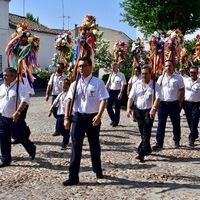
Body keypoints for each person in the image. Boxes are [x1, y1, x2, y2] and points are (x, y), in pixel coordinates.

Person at [62, 57, 109, 186]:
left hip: (92, 117)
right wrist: (67, 117)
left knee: (94, 145)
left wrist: (99, 116)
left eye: (84, 66)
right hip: (78, 118)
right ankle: (73, 176)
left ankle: (97, 169)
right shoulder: (74, 83)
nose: (81, 69)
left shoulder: (98, 82)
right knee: (76, 147)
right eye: (79, 66)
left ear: (90, 67)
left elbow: (103, 100)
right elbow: (69, 100)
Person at [0, 68, 36, 168]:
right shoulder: (2, 87)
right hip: (3, 117)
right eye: (4, 75)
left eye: (6, 75)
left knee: (20, 137)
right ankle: (5, 159)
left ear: (13, 76)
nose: (4, 77)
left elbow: (24, 101)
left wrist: (18, 112)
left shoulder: (20, 87)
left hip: (14, 117)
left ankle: (31, 148)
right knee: (3, 138)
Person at [126, 65, 161, 162]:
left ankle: (141, 153)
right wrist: (129, 108)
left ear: (150, 74)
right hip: (138, 110)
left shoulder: (155, 85)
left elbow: (158, 98)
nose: (144, 76)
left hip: (149, 111)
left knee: (147, 131)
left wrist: (153, 109)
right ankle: (148, 148)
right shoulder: (137, 84)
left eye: (146, 74)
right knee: (142, 132)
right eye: (143, 74)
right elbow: (131, 97)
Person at [152, 60, 185, 150]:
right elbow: (157, 89)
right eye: (166, 66)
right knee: (161, 124)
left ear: (173, 67)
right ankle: (159, 142)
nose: (168, 68)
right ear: (164, 67)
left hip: (174, 104)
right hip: (162, 104)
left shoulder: (178, 78)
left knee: (176, 123)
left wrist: (180, 103)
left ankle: (176, 140)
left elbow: (182, 92)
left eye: (170, 66)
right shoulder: (161, 78)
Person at [45, 62, 68, 136]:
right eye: (57, 67)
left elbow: (68, 86)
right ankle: (61, 126)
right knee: (55, 113)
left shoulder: (65, 77)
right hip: (54, 95)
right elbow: (49, 85)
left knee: (59, 113)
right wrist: (47, 94)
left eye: (60, 67)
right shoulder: (53, 76)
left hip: (62, 96)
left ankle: (58, 130)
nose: (58, 68)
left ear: (63, 69)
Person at [48, 79, 70, 150]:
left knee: (66, 129)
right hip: (60, 113)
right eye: (63, 86)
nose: (64, 87)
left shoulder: (70, 94)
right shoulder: (60, 94)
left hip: (68, 114)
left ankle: (64, 143)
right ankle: (66, 136)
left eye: (66, 86)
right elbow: (55, 102)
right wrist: (50, 110)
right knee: (60, 128)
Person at [183, 66, 200, 146]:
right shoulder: (186, 80)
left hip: (196, 104)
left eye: (194, 72)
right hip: (186, 104)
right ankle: (195, 133)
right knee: (190, 121)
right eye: (191, 72)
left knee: (194, 120)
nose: (192, 74)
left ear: (197, 73)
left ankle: (191, 139)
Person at [106, 62, 127, 127]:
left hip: (117, 91)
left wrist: (121, 93)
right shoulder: (111, 74)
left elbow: (123, 84)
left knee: (117, 108)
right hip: (111, 91)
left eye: (114, 67)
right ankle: (113, 118)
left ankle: (116, 122)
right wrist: (104, 89)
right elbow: (108, 83)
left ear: (117, 67)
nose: (112, 68)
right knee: (108, 106)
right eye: (112, 67)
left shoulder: (121, 75)